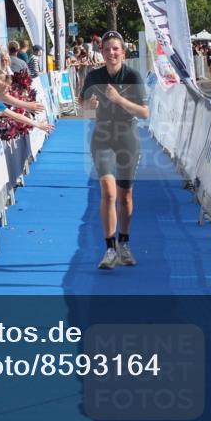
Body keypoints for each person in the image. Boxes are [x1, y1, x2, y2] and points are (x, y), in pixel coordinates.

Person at [80, 30, 149, 270]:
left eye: (115, 49)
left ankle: (124, 243)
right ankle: (109, 249)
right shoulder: (94, 76)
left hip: (127, 137)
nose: (111, 53)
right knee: (108, 193)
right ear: (102, 52)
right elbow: (82, 107)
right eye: (107, 49)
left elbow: (144, 113)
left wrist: (120, 100)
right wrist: (90, 105)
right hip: (102, 137)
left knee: (125, 195)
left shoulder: (133, 76)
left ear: (123, 52)